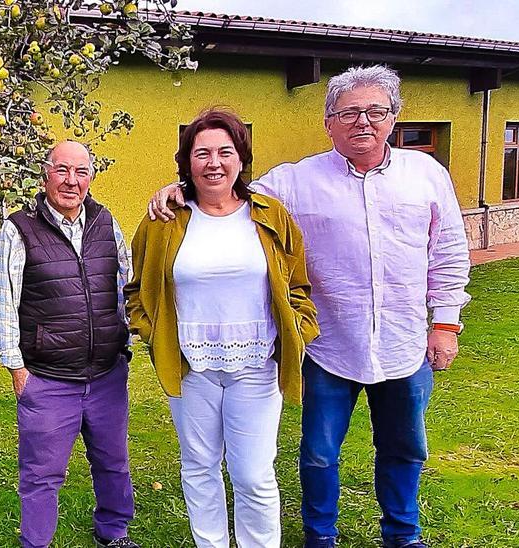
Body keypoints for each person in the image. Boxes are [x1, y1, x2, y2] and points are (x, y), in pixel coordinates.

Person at [147, 65, 472, 548]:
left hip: (404, 343)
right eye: (349, 113)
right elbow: (228, 192)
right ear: (329, 121)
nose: (363, 121)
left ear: (393, 117)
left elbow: (448, 251)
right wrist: (178, 190)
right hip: (329, 347)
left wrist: (445, 322)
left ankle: (403, 535)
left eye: (375, 111)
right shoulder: (297, 181)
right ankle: (320, 536)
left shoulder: (427, 175)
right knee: (319, 454)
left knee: (405, 448)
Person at [126, 108, 319, 548]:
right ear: (187, 162)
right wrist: (153, 333)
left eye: (225, 152)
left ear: (240, 159)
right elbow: (136, 287)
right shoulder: (163, 220)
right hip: (191, 367)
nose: (214, 162)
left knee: (253, 473)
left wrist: (299, 329)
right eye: (202, 153)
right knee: (199, 465)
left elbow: (298, 282)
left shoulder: (270, 215)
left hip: (256, 365)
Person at [0, 140, 139, 548]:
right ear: (46, 175)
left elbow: (125, 285)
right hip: (49, 378)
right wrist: (18, 370)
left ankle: (114, 532)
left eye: (81, 172)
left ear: (90, 177)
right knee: (41, 473)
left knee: (112, 461)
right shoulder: (18, 230)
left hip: (107, 373)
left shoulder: (106, 223)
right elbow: (4, 301)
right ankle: (36, 542)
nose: (71, 181)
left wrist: (126, 339)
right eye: (62, 170)